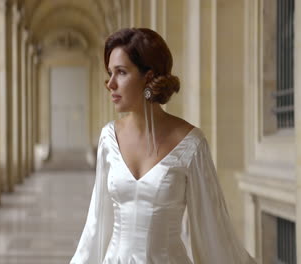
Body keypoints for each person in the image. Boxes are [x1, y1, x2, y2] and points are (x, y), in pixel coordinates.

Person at [69, 28, 257, 264]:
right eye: (110, 73)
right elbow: (96, 223)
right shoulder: (109, 138)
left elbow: (212, 226)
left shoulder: (191, 144)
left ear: (148, 77)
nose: (111, 84)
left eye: (121, 72)